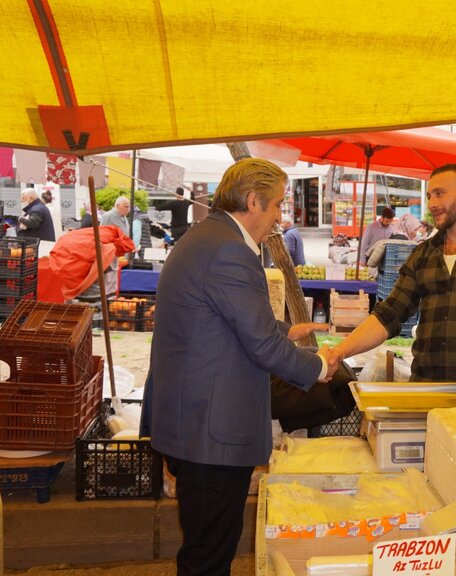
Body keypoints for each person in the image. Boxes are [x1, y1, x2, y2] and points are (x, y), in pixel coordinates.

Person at [142, 158, 337, 576]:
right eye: (277, 205)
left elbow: (223, 318)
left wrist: (286, 331)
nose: (279, 217)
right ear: (253, 201)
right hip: (210, 431)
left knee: (206, 546)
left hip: (195, 423)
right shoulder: (229, 249)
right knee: (209, 555)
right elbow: (260, 344)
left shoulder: (209, 237)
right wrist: (319, 366)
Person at [332, 163, 456, 381]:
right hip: (425, 387)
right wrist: (339, 351)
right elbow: (389, 314)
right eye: (429, 196)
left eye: (440, 194)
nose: (432, 203)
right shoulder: (423, 254)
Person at [99, 197, 132, 295]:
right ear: (117, 206)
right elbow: (101, 233)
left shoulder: (124, 217)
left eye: (128, 207)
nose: (128, 209)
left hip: (117, 251)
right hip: (108, 251)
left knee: (113, 274)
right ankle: (107, 297)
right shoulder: (108, 216)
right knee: (108, 275)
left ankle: (111, 296)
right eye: (125, 207)